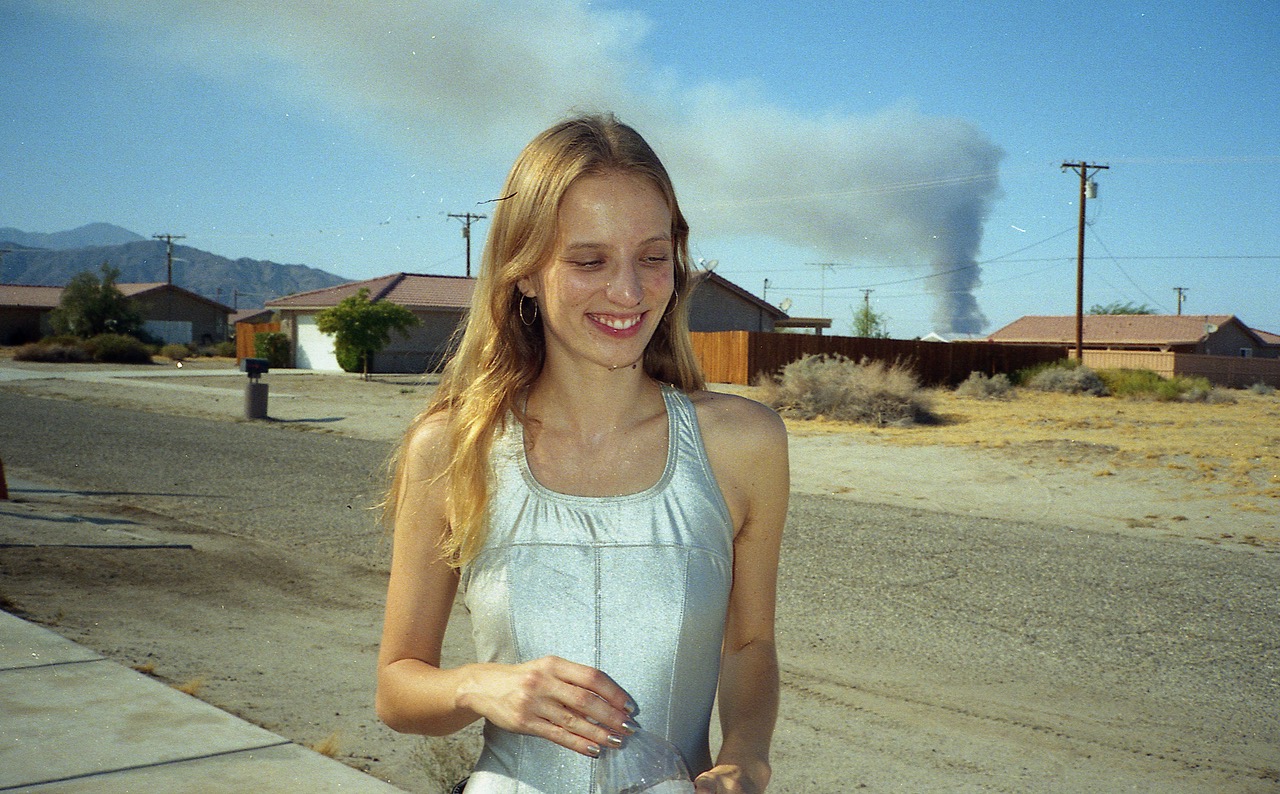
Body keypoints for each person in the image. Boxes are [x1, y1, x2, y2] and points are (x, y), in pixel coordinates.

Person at [376, 113, 789, 793]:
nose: (627, 292)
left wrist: (746, 757)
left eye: (652, 258)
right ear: (524, 272)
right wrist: (480, 685)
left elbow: (750, 646)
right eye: (589, 260)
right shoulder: (452, 449)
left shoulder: (744, 445)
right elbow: (397, 688)